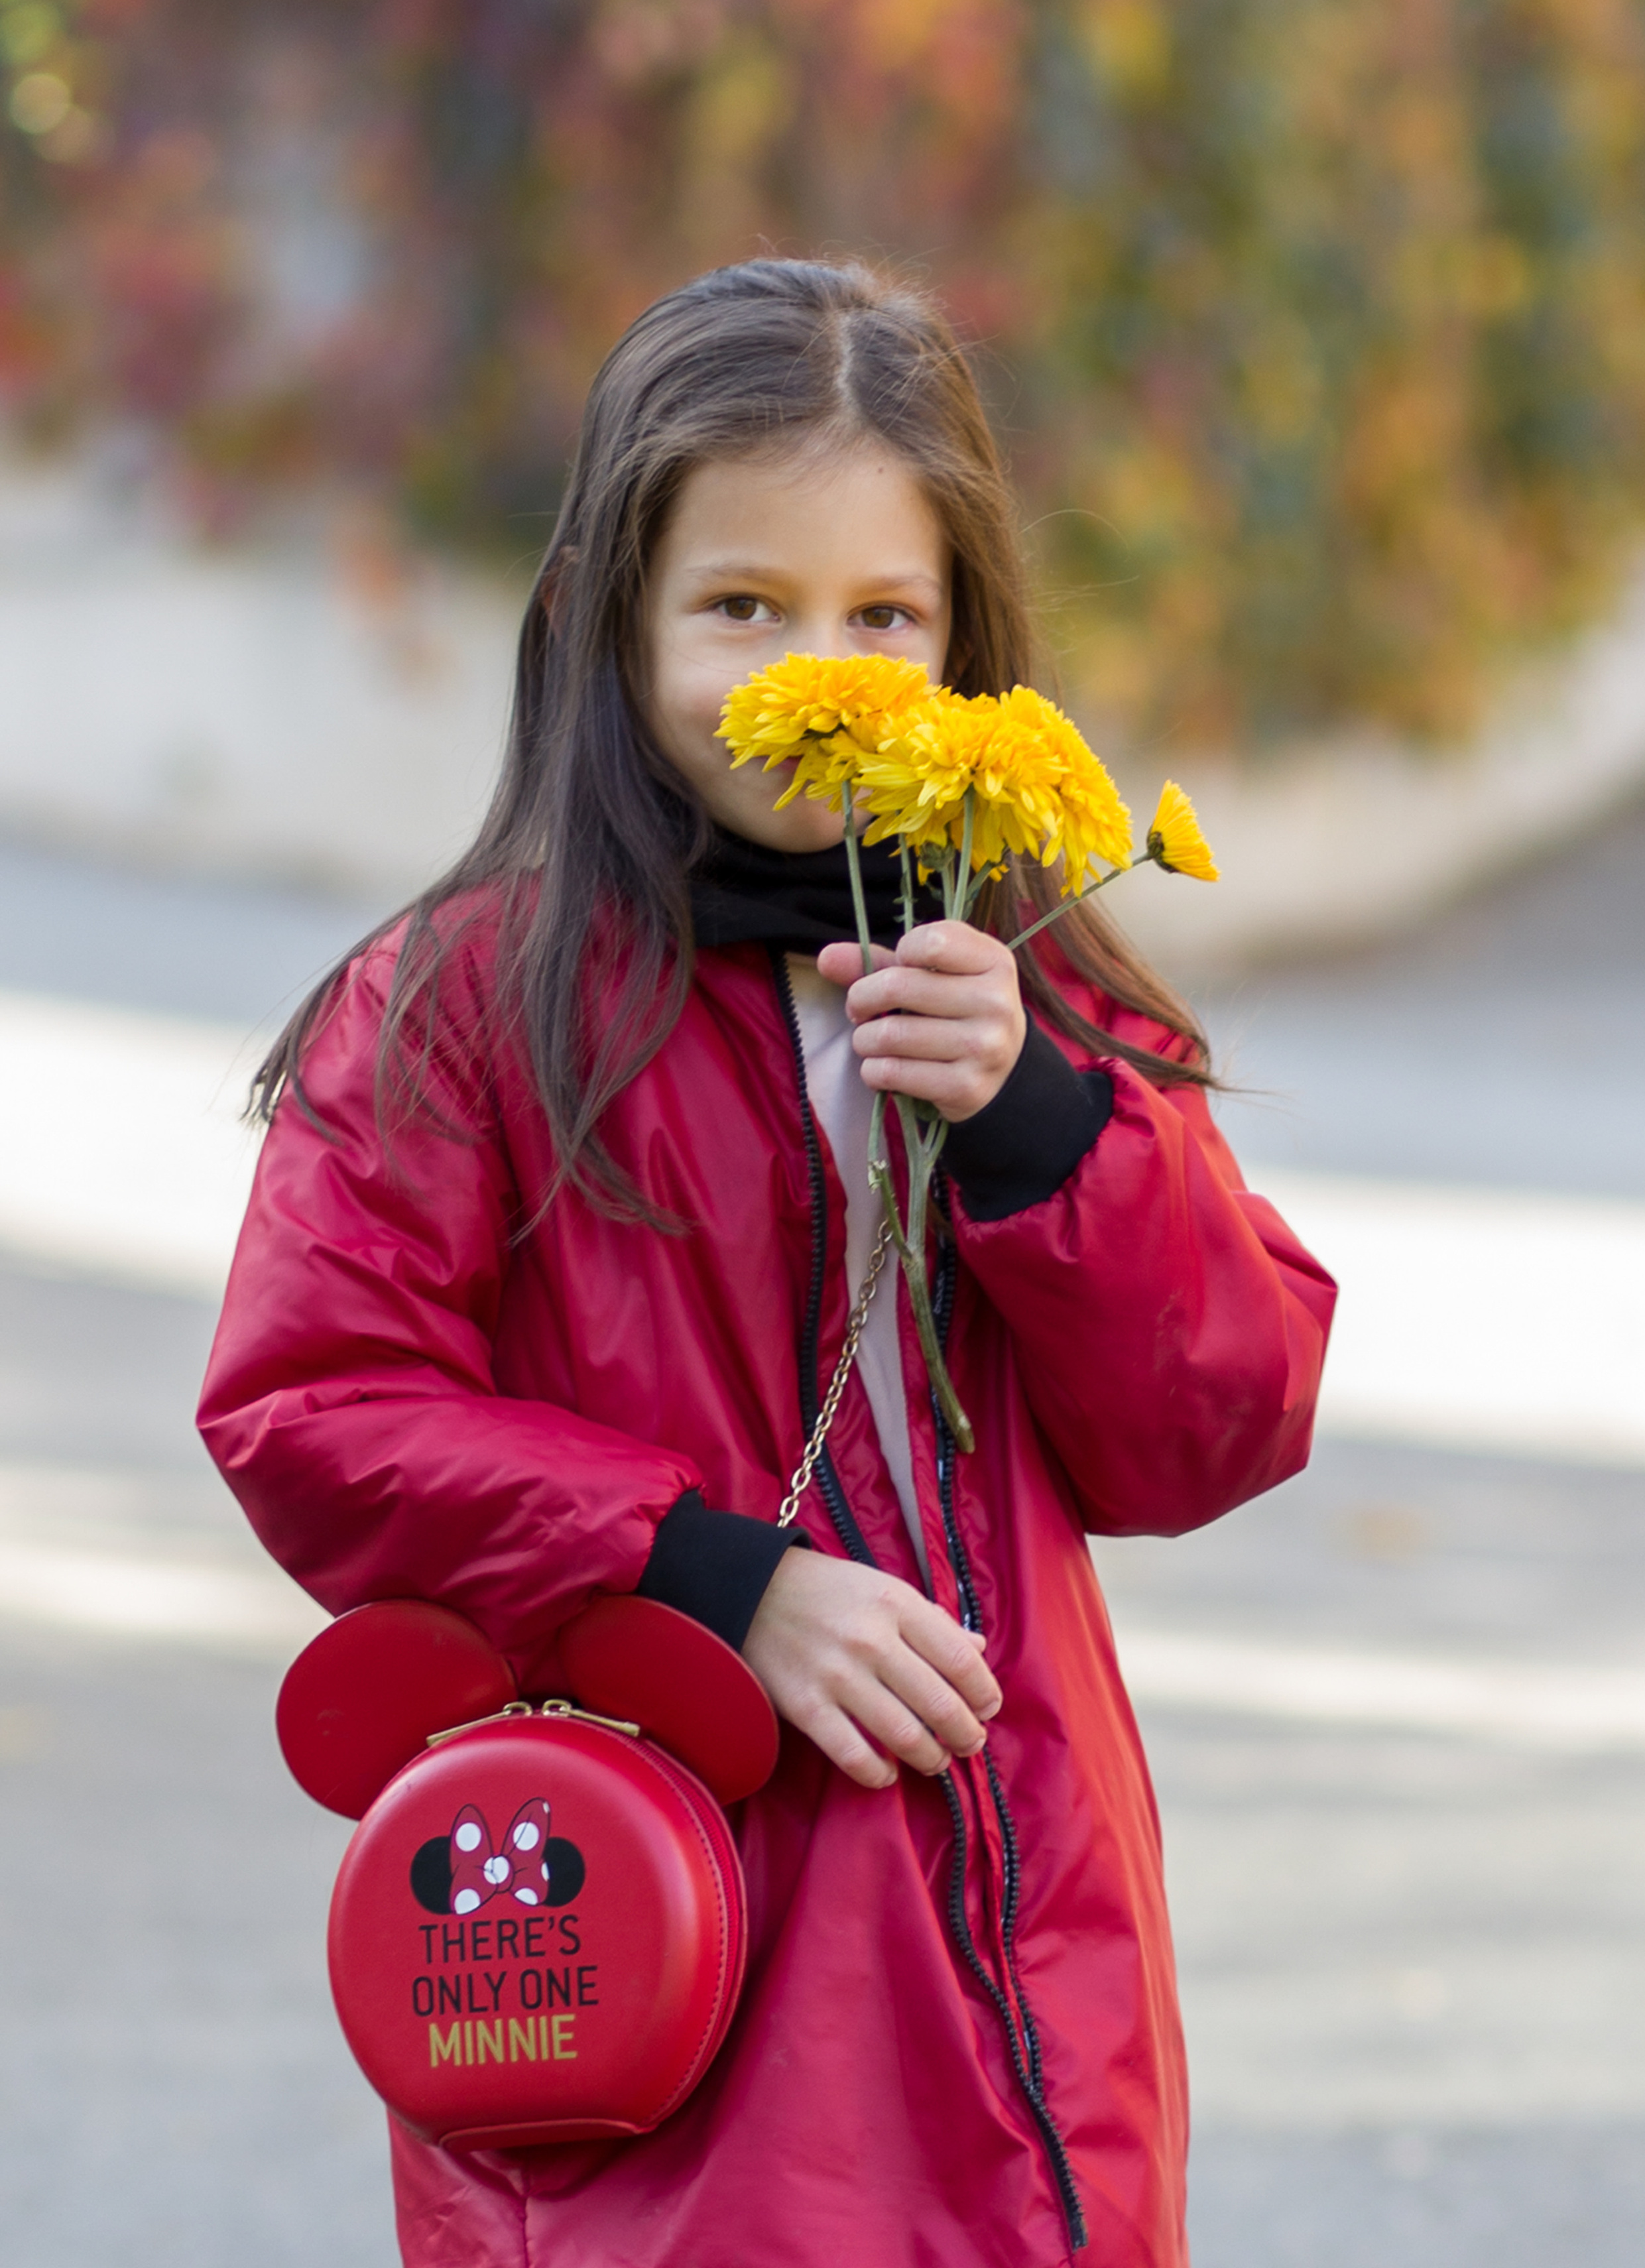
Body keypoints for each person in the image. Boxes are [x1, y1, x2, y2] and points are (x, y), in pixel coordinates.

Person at [198, 257, 1335, 2268]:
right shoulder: (470, 1005)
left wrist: (1042, 1125)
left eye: (883, 617)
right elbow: (310, 1410)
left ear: (966, 648)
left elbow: (1215, 1427)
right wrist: (709, 1575)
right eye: (742, 607)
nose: (813, 671)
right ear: (601, 625)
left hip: (1022, 1908)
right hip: (664, 1914)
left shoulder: (1037, 988)